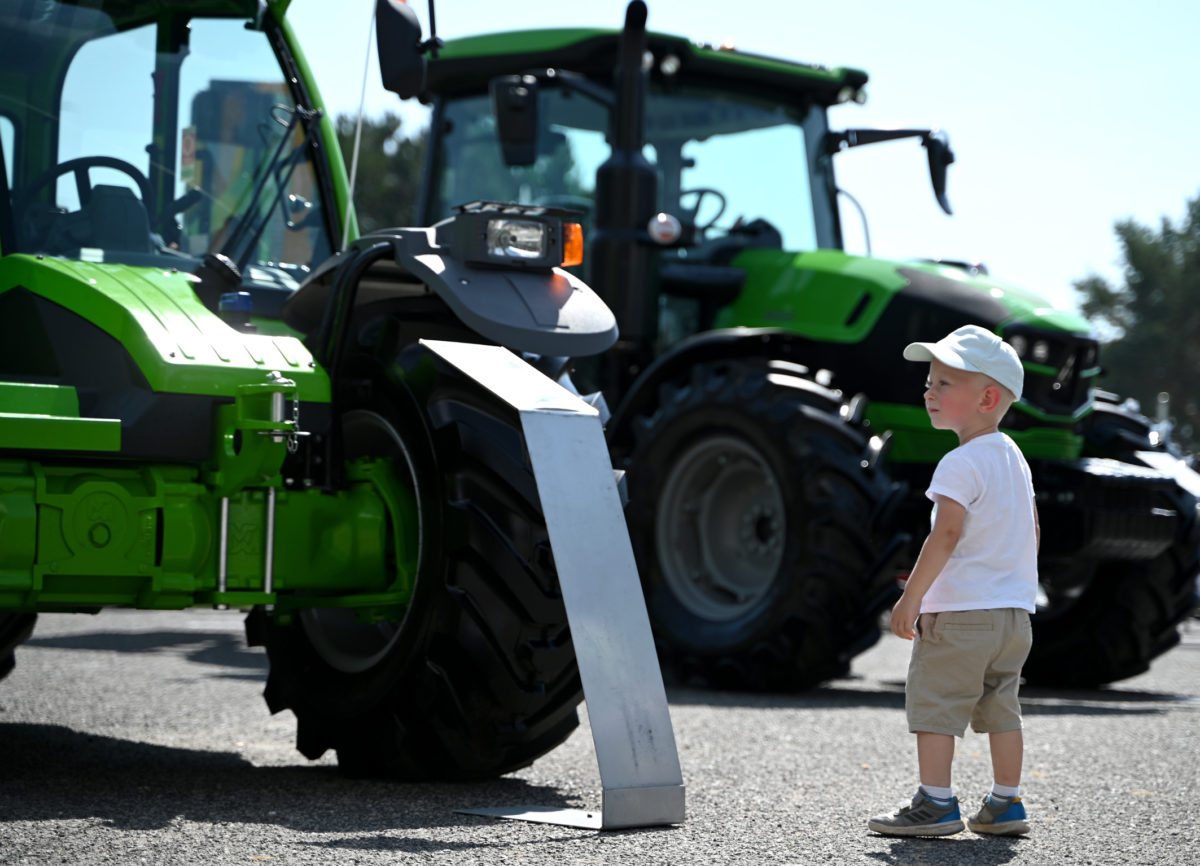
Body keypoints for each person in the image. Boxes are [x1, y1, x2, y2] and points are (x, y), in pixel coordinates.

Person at [867, 323, 1039, 838]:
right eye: (928, 383)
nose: (928, 392)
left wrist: (912, 597)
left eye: (944, 383)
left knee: (936, 708)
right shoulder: (1015, 458)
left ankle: (936, 804)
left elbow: (945, 536)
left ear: (988, 397)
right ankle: (1006, 804)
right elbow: (1032, 529)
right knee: (1002, 708)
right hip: (1013, 617)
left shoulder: (959, 462)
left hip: (960, 616)